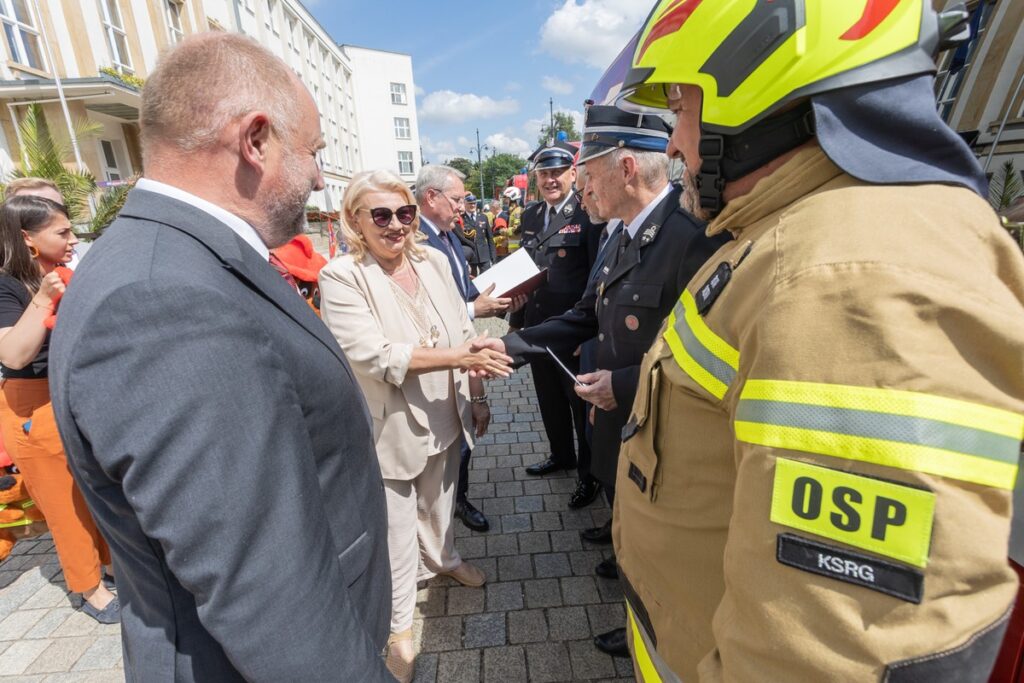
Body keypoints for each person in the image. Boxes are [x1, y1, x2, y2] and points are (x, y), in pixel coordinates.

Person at [604, 2, 1024, 680]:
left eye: (681, 107)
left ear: (756, 84)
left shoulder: (855, 275)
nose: (673, 145)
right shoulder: (799, 236)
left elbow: (825, 650)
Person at [48, 33, 393, 681]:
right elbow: (269, 592)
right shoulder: (161, 299)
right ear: (255, 140)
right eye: (314, 152)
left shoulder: (177, 259)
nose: (320, 178)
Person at [491, 106, 727, 657]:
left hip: (667, 435)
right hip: (625, 423)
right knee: (633, 536)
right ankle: (641, 616)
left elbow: (712, 359)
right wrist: (505, 348)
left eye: (587, 176)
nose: (582, 190)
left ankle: (657, 634)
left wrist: (620, 385)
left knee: (663, 550)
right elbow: (584, 316)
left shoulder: (691, 239)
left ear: (625, 169)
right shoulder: (621, 234)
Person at [319, 169, 510, 682]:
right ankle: (400, 629)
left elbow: (466, 332)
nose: (396, 225)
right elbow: (373, 355)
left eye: (404, 212)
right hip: (392, 427)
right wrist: (459, 356)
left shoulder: (433, 260)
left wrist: (476, 395)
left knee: (441, 502)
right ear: (356, 220)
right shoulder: (342, 275)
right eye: (381, 215)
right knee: (397, 532)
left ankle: (445, 559)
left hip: (445, 410)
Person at [0, 195, 118, 623]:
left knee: (96, 491)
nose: (73, 240)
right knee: (64, 504)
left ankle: (112, 566)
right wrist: (43, 299)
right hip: (32, 405)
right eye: (62, 232)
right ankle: (88, 587)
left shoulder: (66, 273)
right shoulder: (7, 286)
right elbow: (13, 354)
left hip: (75, 395)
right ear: (28, 239)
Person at [415, 165, 517, 533]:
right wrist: (476, 309)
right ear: (431, 197)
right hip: (437, 359)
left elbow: (463, 289)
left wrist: (492, 298)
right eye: (456, 199)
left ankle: (458, 499)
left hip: (462, 352)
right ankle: (438, 512)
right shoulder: (415, 242)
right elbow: (428, 308)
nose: (463, 207)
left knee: (462, 436)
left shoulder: (448, 236)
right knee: (446, 440)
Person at [509, 140, 601, 509]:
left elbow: (597, 277)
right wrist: (516, 322)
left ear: (572, 174)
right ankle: (561, 455)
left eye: (558, 172)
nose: (550, 179)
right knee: (549, 400)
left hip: (571, 332)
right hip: (538, 327)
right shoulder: (532, 215)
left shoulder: (588, 213)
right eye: (544, 173)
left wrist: (589, 335)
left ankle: (588, 477)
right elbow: (524, 271)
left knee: (579, 407)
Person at [463, 194, 496, 272]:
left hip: (484, 255)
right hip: (470, 257)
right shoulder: (461, 218)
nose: (472, 205)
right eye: (470, 203)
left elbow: (490, 237)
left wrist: (493, 255)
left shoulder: (483, 217)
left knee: (487, 277)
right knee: (473, 278)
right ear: (465, 204)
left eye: (474, 203)